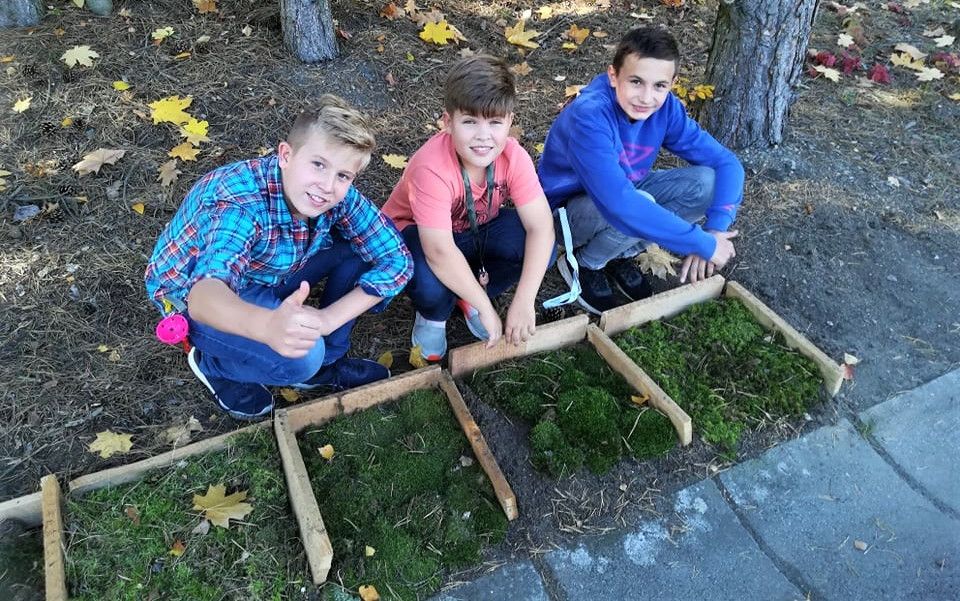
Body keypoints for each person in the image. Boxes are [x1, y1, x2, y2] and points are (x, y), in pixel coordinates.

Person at [145, 95, 413, 420]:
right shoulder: (239, 205)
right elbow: (205, 295)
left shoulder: (330, 194)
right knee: (304, 357)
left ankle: (328, 361)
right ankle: (213, 364)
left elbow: (397, 259)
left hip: (268, 268)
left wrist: (329, 319)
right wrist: (267, 326)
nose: (327, 186)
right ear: (286, 155)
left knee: (361, 248)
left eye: (343, 175)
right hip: (196, 295)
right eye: (318, 164)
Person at [538, 26, 744, 314]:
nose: (647, 97)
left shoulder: (666, 109)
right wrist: (702, 244)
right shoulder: (590, 116)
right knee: (638, 203)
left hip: (624, 194)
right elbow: (619, 204)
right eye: (636, 82)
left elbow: (726, 163)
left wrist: (716, 228)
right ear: (613, 76)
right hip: (565, 216)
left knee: (706, 183)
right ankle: (585, 264)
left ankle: (619, 254)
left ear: (672, 83)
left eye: (659, 86)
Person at [383, 54, 556, 361]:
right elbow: (438, 251)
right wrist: (488, 309)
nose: (483, 136)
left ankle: (470, 294)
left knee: (542, 248)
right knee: (429, 280)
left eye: (495, 123)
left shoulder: (513, 157)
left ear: (509, 121)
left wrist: (524, 300)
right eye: (469, 122)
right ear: (448, 122)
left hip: (472, 230)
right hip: (416, 236)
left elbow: (541, 227)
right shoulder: (431, 167)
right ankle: (433, 315)